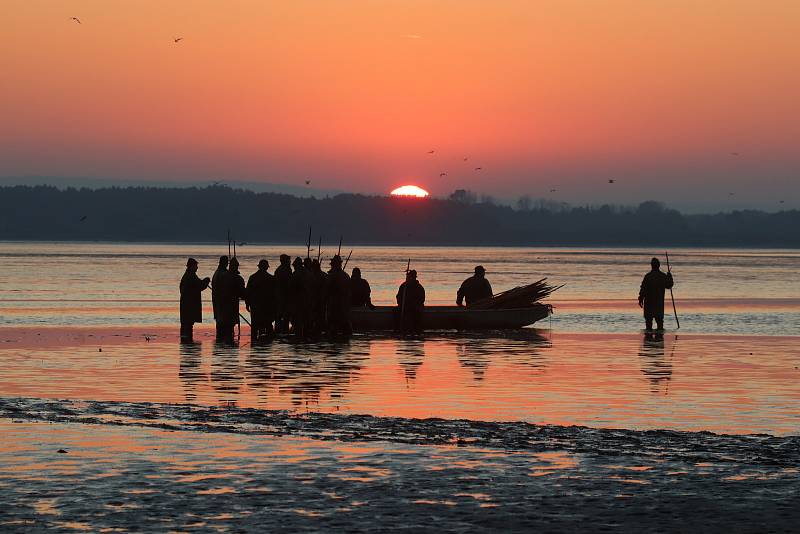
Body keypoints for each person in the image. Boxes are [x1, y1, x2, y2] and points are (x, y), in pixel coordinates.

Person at [638, 257, 674, 331]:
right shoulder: (663, 276)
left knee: (648, 325)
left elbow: (643, 289)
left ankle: (649, 341)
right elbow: (669, 285)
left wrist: (640, 299)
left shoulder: (648, 276)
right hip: (658, 304)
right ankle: (659, 339)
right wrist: (669, 277)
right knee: (660, 324)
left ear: (651, 265)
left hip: (649, 304)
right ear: (659, 265)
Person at [179, 258, 210, 341]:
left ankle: (186, 341)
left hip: (186, 306)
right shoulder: (190, 276)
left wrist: (205, 282)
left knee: (186, 325)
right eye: (196, 266)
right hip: (188, 306)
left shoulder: (189, 275)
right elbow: (200, 286)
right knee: (187, 325)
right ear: (192, 266)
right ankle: (187, 341)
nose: (197, 268)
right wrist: (206, 281)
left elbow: (199, 284)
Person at [246, 259, 276, 340]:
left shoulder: (252, 277)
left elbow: (248, 292)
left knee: (255, 327)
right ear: (266, 268)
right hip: (267, 307)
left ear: (259, 267)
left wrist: (247, 304)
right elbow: (274, 294)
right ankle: (267, 342)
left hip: (255, 306)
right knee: (268, 326)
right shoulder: (271, 278)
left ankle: (254, 341)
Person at [218, 257, 246, 341]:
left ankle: (223, 341)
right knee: (230, 326)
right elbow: (243, 294)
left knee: (223, 326)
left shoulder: (222, 276)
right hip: (232, 306)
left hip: (222, 306)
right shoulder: (238, 279)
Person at [326, 255, 352, 337]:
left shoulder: (332, 276)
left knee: (334, 325)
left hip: (335, 304)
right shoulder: (346, 276)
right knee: (345, 324)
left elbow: (328, 290)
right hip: (344, 305)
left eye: (332, 264)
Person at [289, 257, 310, 337]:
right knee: (305, 321)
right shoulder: (308, 273)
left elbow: (291, 288)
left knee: (297, 321)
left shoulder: (295, 275)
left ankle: (299, 336)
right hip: (307, 301)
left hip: (298, 302)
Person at [274, 254, 292, 334]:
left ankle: (280, 330)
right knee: (284, 315)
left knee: (280, 316)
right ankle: (284, 331)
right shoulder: (285, 270)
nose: (289, 262)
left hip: (281, 296)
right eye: (288, 260)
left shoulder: (280, 269)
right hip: (284, 297)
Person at [211, 255, 228, 338]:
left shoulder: (218, 272)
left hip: (218, 301)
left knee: (220, 321)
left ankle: (220, 339)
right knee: (222, 322)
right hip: (222, 302)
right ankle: (222, 339)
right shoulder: (222, 274)